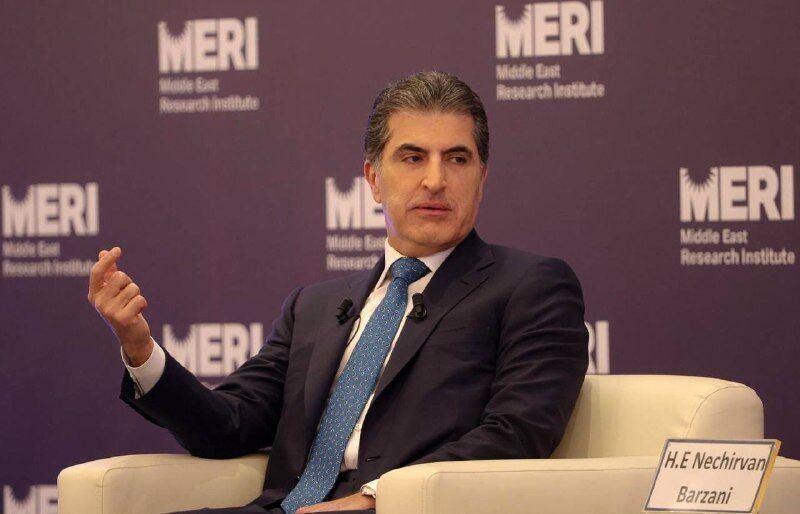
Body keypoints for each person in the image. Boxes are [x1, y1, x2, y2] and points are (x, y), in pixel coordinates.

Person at [87, 71, 589, 514]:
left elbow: (517, 433)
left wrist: (381, 497)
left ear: (481, 177)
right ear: (373, 179)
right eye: (413, 157)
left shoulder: (531, 286)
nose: (435, 180)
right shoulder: (314, 306)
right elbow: (226, 426)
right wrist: (139, 348)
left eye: (457, 158)